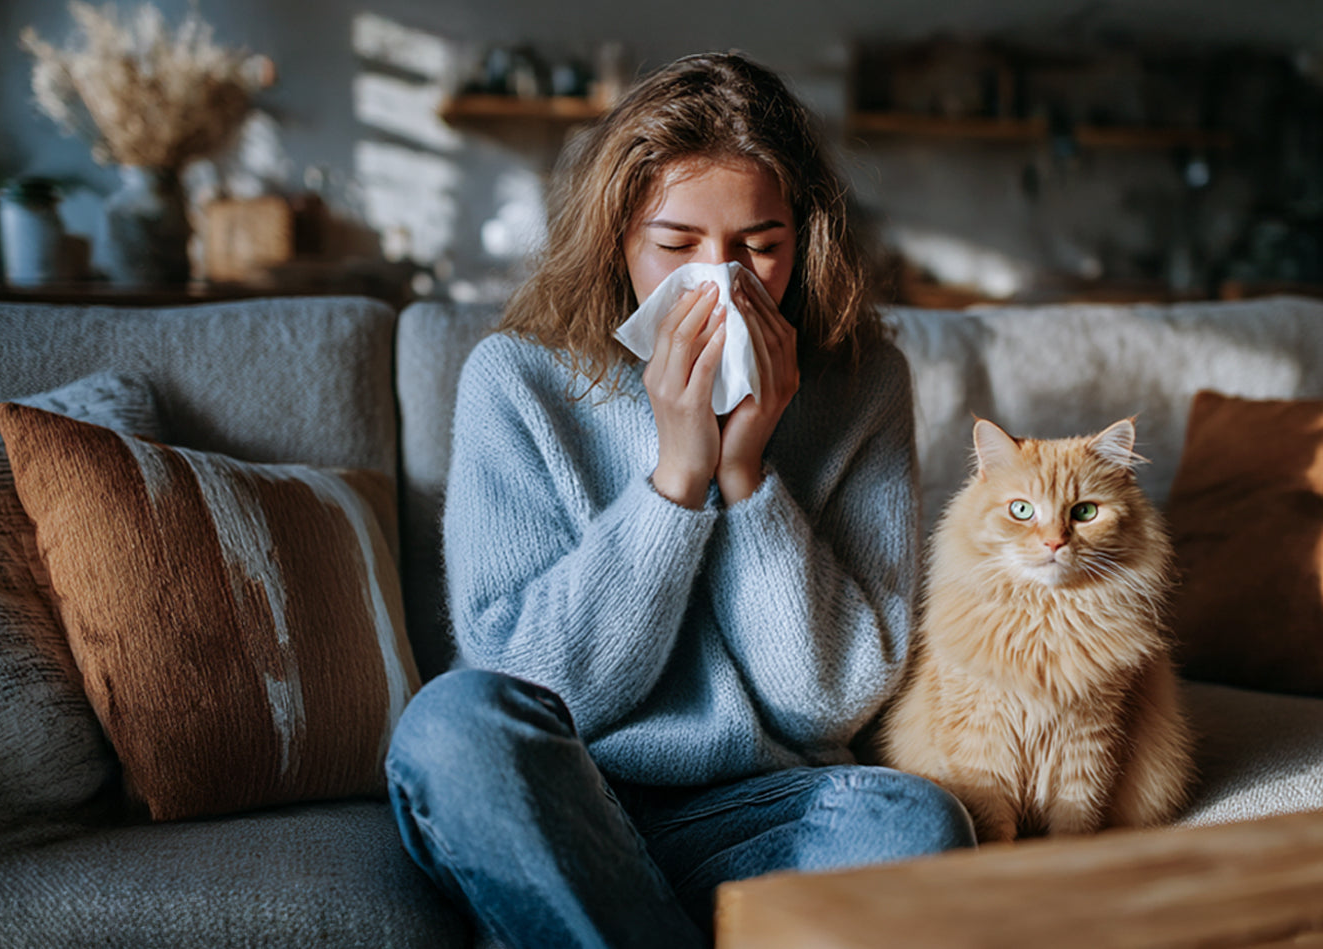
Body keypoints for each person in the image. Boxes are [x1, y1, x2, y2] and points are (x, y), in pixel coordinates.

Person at [384, 50, 976, 949]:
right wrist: (675, 478)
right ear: (618, 239)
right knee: (450, 724)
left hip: (764, 807)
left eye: (758, 246)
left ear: (802, 241)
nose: (721, 282)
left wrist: (747, 478)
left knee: (916, 820)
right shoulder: (518, 379)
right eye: (676, 246)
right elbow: (538, 686)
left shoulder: (863, 386)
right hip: (564, 798)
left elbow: (829, 701)